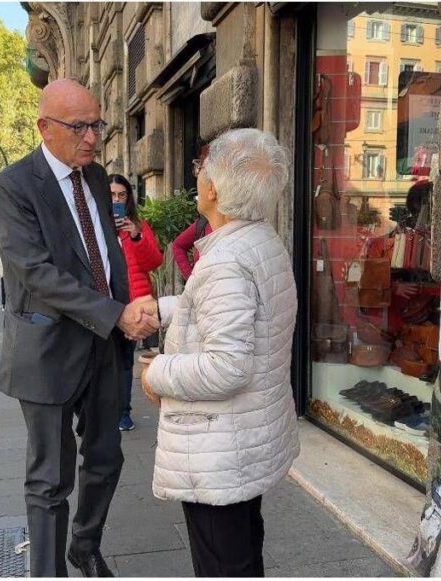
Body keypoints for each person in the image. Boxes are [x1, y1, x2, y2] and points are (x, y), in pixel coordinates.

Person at [0, 78, 158, 578]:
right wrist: (114, 313)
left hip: (102, 347)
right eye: (79, 126)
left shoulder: (95, 176)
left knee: (106, 459)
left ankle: (83, 546)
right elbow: (37, 275)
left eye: (96, 124)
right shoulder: (15, 185)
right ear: (45, 127)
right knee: (49, 478)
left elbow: (105, 258)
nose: (91, 137)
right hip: (45, 349)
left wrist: (130, 310)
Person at [140, 128, 299, 577]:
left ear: (214, 188)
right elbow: (244, 314)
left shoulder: (226, 259)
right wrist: (164, 309)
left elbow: (226, 366)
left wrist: (158, 372)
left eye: (201, 170)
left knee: (223, 564)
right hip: (244, 439)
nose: (197, 178)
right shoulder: (259, 241)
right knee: (242, 553)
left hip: (219, 449)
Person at [109, 174, 163, 432]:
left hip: (134, 304)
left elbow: (154, 262)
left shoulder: (139, 226)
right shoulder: (96, 226)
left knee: (123, 361)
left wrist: (136, 236)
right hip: (105, 304)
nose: (117, 199)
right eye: (112, 195)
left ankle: (123, 412)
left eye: (122, 195)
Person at [172, 145, 213, 281]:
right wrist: (192, 281)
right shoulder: (205, 221)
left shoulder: (237, 233)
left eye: (200, 169)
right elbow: (178, 245)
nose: (196, 177)